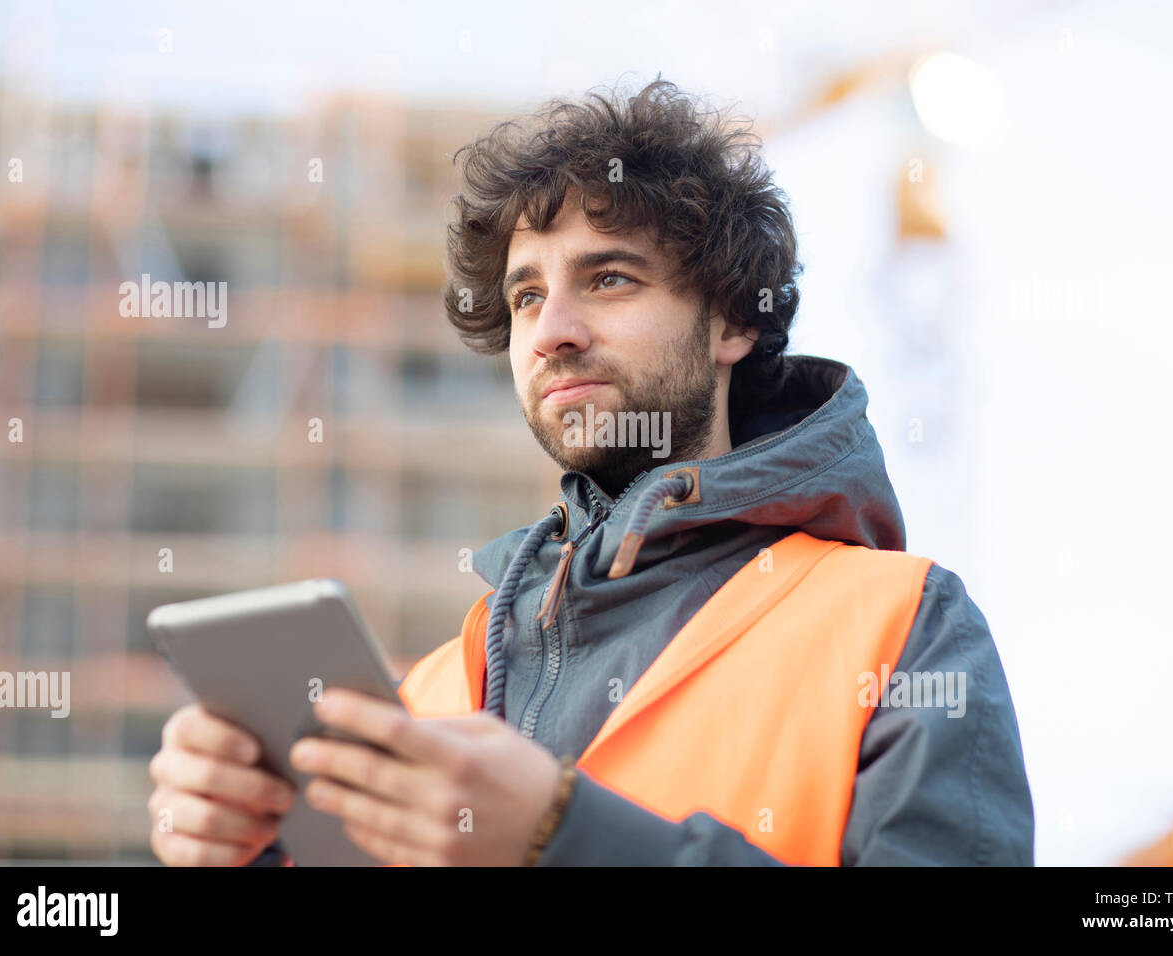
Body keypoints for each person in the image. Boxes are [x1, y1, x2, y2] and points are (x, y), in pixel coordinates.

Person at [147, 77, 1034, 867]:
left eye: (608, 279)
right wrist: (251, 847)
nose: (551, 329)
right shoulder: (432, 692)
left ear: (732, 324)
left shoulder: (904, 628)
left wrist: (566, 840)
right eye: (527, 294)